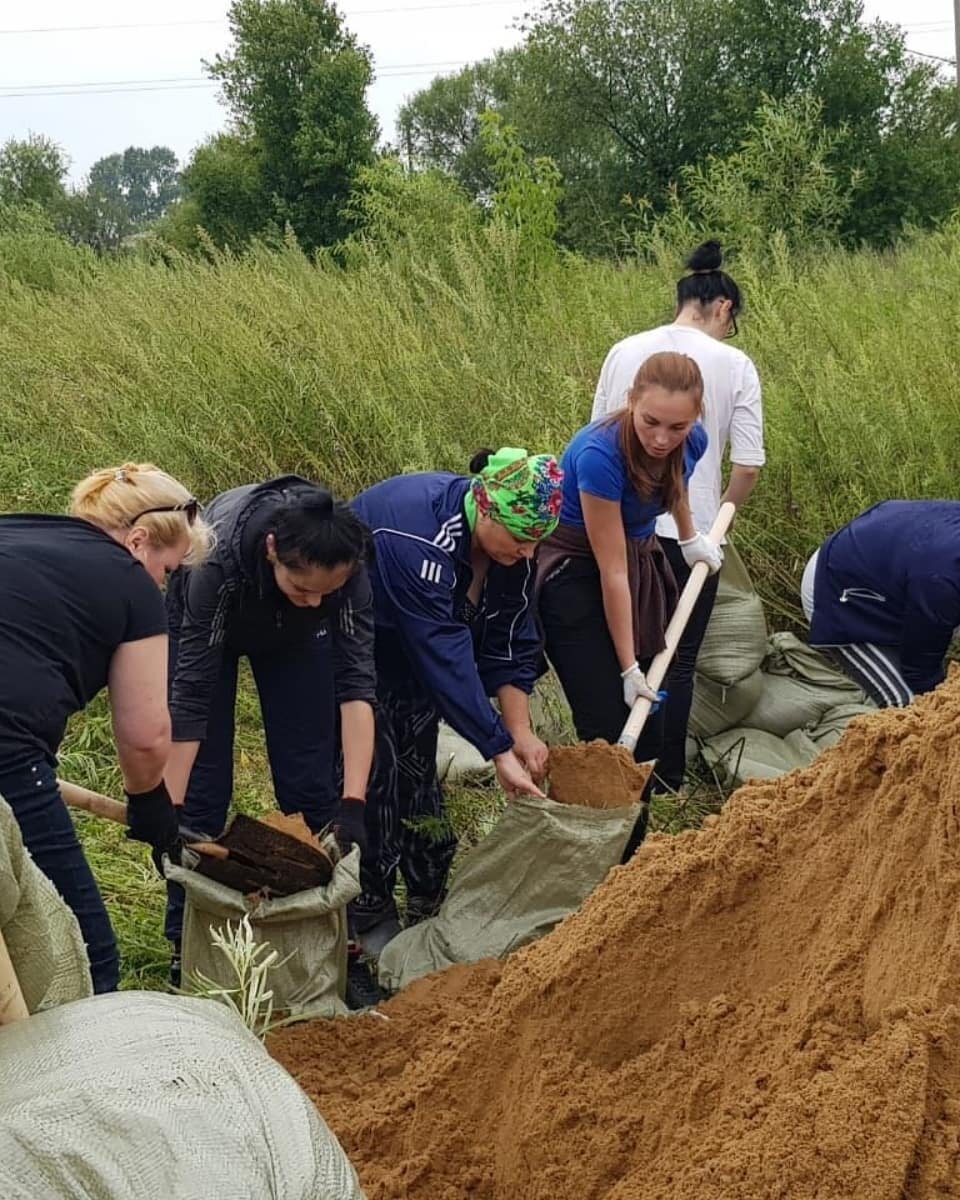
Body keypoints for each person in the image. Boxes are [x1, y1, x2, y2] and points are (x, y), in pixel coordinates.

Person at [0, 462, 211, 993]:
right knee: (83, 950)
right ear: (139, 541)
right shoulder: (128, 581)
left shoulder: (16, 528)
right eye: (168, 569)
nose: (165, 585)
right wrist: (150, 802)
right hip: (7, 751)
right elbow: (144, 735)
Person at [163, 476, 378, 984]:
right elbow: (191, 698)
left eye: (328, 593)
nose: (314, 600)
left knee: (310, 783)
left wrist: (354, 804)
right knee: (199, 798)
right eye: (303, 588)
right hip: (209, 622)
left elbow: (356, 686)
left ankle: (330, 946)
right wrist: (166, 808)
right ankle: (186, 947)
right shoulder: (214, 563)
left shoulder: (347, 567)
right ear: (271, 551)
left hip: (295, 643)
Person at [349, 447, 563, 950]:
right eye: (522, 540)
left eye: (539, 543)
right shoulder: (416, 538)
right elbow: (442, 653)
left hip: (420, 654)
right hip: (360, 647)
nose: (529, 553)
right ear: (485, 508)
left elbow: (511, 641)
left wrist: (521, 733)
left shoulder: (513, 551)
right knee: (375, 778)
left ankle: (428, 897)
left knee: (417, 772)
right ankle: (367, 917)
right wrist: (496, 749)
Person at [591, 240, 764, 792]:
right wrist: (716, 529)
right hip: (691, 539)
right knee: (679, 658)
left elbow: (597, 441)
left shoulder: (624, 350)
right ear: (723, 309)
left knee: (629, 654)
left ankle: (624, 763)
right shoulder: (734, 362)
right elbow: (750, 464)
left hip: (620, 530)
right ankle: (666, 779)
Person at [539, 351, 722, 843]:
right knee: (608, 718)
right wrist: (627, 668)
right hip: (575, 570)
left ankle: (634, 850)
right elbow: (610, 569)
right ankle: (599, 846)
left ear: (696, 417)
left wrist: (688, 537)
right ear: (631, 402)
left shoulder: (692, 440)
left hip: (636, 558)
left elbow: (676, 481)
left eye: (677, 426)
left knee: (652, 721)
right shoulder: (599, 454)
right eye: (651, 422)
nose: (662, 439)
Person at [801, 500, 960, 707]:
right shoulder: (940, 582)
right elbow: (920, 671)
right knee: (913, 708)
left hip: (894, 566)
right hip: (837, 589)